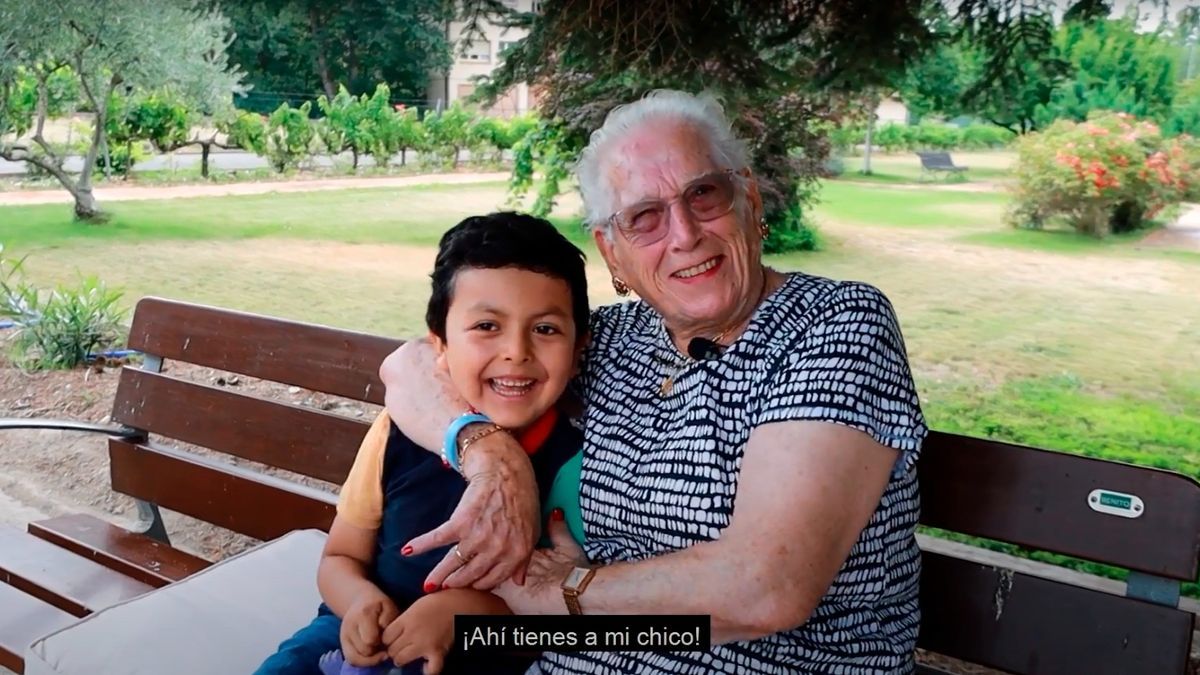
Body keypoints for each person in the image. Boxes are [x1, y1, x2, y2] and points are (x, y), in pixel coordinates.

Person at [380, 90, 929, 673]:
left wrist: (562, 594)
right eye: (644, 218)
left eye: (703, 194)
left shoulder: (834, 323)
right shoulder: (610, 339)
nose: (685, 234)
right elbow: (412, 366)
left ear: (748, 198)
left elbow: (766, 589)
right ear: (611, 253)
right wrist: (492, 458)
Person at [255, 212, 591, 675]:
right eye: (487, 326)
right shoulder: (396, 432)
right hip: (348, 641)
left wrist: (462, 616)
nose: (517, 350)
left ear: (578, 354)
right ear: (440, 347)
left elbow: (561, 619)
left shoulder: (577, 466)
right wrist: (358, 602)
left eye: (546, 329)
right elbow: (341, 556)